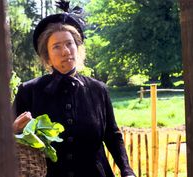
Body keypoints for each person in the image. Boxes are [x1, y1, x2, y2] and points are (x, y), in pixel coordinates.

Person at [13, 1, 135, 177]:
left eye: (69, 44)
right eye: (56, 46)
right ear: (46, 56)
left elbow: (112, 135)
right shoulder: (29, 91)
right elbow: (7, 136)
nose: (65, 51)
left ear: (78, 48)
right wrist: (14, 129)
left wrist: (126, 170)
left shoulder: (98, 90)